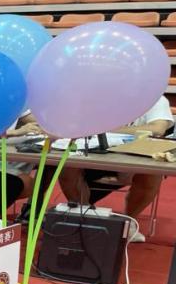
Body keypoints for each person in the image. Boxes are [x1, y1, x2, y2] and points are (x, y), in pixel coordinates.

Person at [58, 96, 174, 242]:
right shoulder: (97, 96)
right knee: (67, 166)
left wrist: (110, 130)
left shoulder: (155, 99)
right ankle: (85, 215)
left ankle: (128, 221)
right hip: (94, 155)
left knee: (152, 173)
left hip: (134, 159)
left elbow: (158, 128)